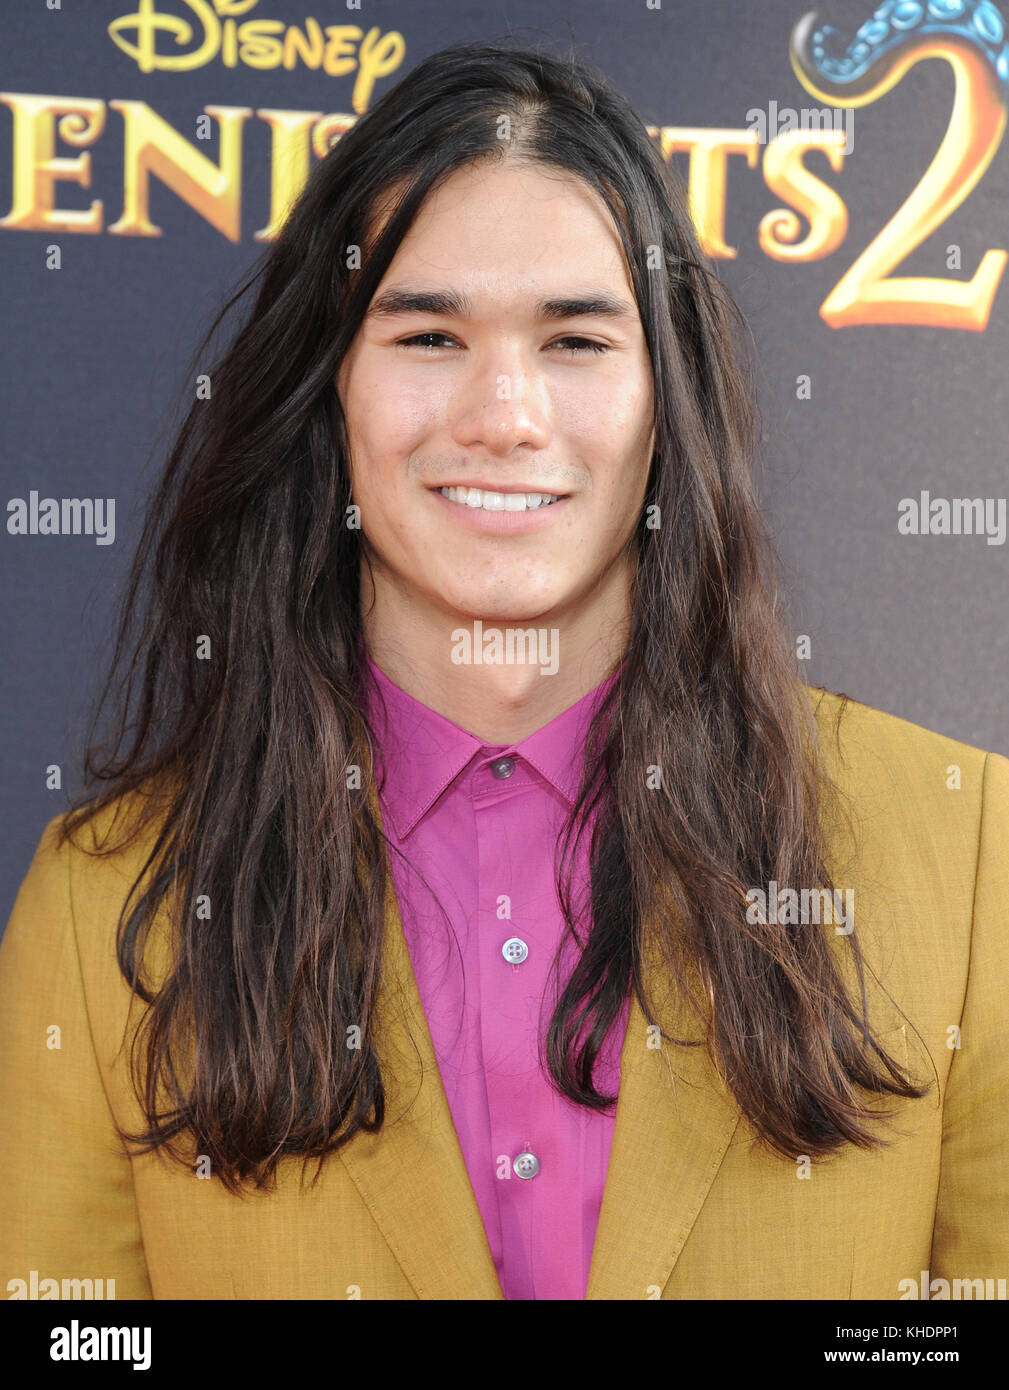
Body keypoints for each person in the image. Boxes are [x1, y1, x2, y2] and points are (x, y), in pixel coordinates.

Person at [1, 39, 1006, 1303]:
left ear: (667, 401)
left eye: (577, 341)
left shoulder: (968, 858)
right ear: (329, 394)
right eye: (428, 334)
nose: (505, 413)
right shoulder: (108, 909)